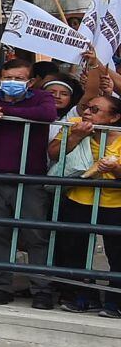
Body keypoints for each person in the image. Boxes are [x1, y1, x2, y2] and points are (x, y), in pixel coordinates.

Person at [0, 56, 59, 306]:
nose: (13, 83)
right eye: (8, 78)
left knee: (36, 235)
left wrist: (4, 112)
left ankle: (42, 289)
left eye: (19, 79)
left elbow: (47, 114)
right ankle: (1, 287)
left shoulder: (42, 98)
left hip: (29, 178)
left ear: (30, 82)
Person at [50, 86, 121, 317]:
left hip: (114, 205)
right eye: (88, 108)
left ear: (114, 117)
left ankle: (115, 302)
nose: (88, 113)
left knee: (117, 255)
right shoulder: (75, 126)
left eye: (96, 110)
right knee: (74, 251)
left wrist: (116, 167)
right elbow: (53, 153)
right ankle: (82, 297)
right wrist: (77, 135)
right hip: (78, 199)